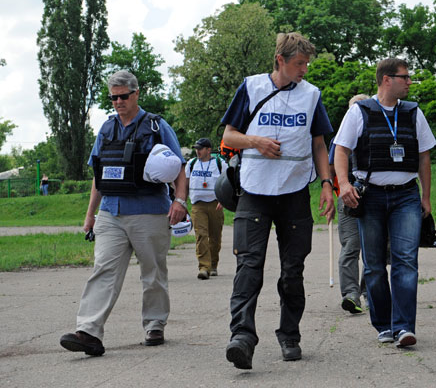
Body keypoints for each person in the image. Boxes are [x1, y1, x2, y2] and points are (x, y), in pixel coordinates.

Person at [220, 32, 335, 369]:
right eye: (299, 63)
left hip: (295, 192)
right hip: (254, 192)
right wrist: (255, 141)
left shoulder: (312, 95)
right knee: (248, 266)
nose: (305, 70)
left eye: (307, 64)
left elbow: (319, 144)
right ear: (280, 61)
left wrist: (327, 184)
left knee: (292, 271)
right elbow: (228, 136)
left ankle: (290, 335)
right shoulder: (252, 87)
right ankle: (242, 337)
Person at [60, 70, 187, 356]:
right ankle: (88, 331)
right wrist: (89, 214)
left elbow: (178, 166)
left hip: (149, 211)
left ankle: (154, 323)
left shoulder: (156, 126)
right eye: (113, 97)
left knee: (152, 272)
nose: (118, 102)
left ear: (136, 94)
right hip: (110, 212)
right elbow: (98, 175)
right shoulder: (106, 129)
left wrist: (180, 201)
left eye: (123, 96)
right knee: (103, 269)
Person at [334, 58, 436, 348]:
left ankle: (404, 326)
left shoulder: (414, 112)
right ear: (386, 79)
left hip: (406, 194)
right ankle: (384, 324)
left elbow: (425, 155)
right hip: (371, 195)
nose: (409, 82)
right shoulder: (360, 112)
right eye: (404, 77)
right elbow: (341, 150)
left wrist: (426, 197)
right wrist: (343, 185)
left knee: (406, 260)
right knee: (375, 265)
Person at [328, 94, 369, 315]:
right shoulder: (340, 138)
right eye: (354, 108)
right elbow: (330, 169)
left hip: (375, 195)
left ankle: (370, 292)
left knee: (377, 248)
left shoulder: (378, 132)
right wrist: (330, 197)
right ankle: (351, 294)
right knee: (351, 245)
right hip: (347, 198)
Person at [185, 137, 227, 280]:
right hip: (198, 205)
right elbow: (185, 184)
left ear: (209, 150)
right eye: (196, 148)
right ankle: (204, 267)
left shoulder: (220, 163)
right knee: (201, 235)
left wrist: (224, 199)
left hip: (215, 204)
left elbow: (227, 183)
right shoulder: (191, 164)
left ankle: (213, 264)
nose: (197, 151)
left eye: (200, 148)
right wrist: (182, 202)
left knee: (215, 237)